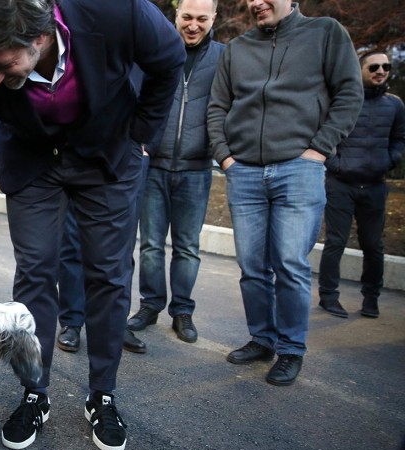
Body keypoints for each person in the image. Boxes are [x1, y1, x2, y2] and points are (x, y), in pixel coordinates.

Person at [0, 0, 183, 450]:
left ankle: (102, 394)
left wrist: (143, 133)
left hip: (108, 156)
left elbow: (170, 60)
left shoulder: (117, 10)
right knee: (37, 270)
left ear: (39, 37)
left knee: (107, 272)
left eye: (3, 66)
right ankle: (34, 392)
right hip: (33, 162)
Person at [207, 0, 363, 386]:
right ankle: (262, 338)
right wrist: (226, 158)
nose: (255, 2)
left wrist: (318, 150)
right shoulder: (239, 48)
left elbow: (349, 93)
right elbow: (216, 107)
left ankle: (292, 348)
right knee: (252, 266)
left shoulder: (325, 32)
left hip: (299, 168)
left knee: (290, 263)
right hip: (243, 171)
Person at [127, 0, 224, 344]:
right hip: (153, 164)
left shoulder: (224, 58)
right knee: (151, 244)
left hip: (197, 168)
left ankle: (182, 310)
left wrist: (218, 149)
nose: (193, 25)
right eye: (186, 17)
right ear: (176, 17)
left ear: (214, 18)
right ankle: (150, 305)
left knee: (187, 247)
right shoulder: (157, 52)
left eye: (201, 18)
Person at [318, 51, 405, 320]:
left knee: (373, 245)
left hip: (375, 185)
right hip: (341, 184)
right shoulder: (341, 100)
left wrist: (389, 161)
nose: (381, 71)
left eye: (386, 67)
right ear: (360, 70)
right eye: (374, 66)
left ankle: (371, 300)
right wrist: (336, 164)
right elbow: (325, 133)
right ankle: (328, 297)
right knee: (335, 242)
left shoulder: (395, 105)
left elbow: (400, 138)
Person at [57, 207, 147, 355]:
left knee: (120, 253)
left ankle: (116, 324)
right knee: (73, 244)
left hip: (123, 185)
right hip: (77, 183)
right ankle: (71, 322)